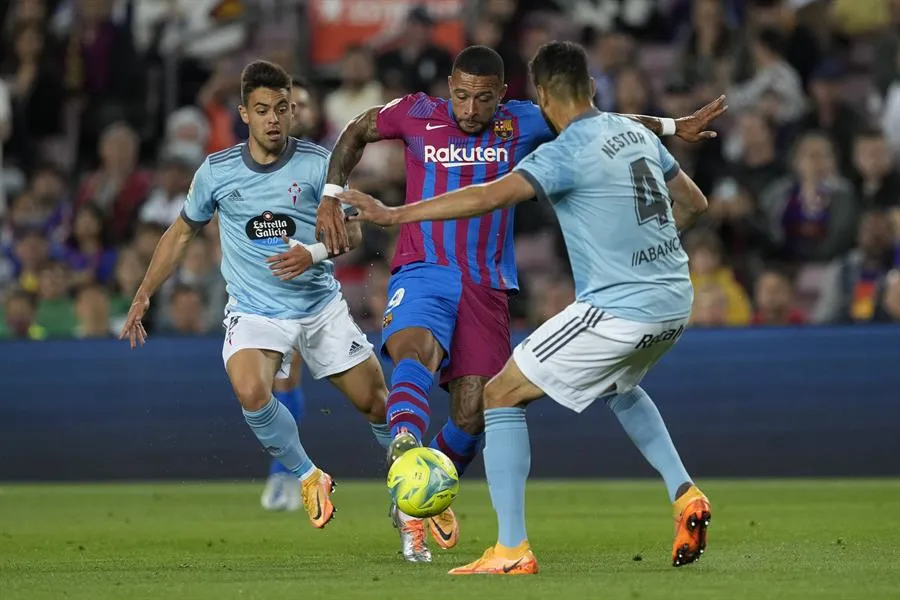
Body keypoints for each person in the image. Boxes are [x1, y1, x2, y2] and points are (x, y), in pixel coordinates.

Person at [316, 44, 724, 561]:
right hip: (427, 268)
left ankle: (421, 493)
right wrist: (332, 191)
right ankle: (407, 453)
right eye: (460, 96)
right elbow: (357, 128)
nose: (469, 109)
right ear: (448, 86)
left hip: (488, 283)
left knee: (475, 410)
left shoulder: (528, 126)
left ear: (509, 96)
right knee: (417, 349)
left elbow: (577, 135)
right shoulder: (417, 112)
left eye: (482, 99)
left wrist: (393, 214)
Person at [119, 60, 391, 530]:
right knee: (250, 390)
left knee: (378, 405)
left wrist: (313, 253)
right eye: (262, 109)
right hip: (255, 309)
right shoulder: (216, 172)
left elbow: (353, 235)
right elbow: (181, 234)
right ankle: (307, 475)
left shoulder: (318, 163)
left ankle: (414, 484)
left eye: (281, 109)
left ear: (291, 112)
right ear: (244, 113)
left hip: (319, 306)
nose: (272, 118)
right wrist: (144, 293)